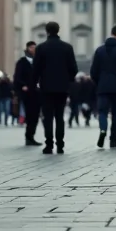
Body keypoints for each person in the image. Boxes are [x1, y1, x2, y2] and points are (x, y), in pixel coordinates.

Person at [33, 21, 78, 154]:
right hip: (62, 88)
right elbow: (74, 69)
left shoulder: (41, 48)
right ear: (58, 31)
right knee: (59, 116)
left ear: (47, 31)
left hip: (46, 87)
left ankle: (49, 145)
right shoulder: (67, 47)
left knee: (48, 117)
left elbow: (36, 69)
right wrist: (67, 80)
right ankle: (60, 145)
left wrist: (35, 83)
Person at [90, 24, 116, 148]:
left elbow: (93, 71)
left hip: (103, 87)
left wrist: (99, 83)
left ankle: (103, 130)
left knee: (102, 112)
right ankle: (113, 140)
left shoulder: (99, 50)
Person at [14, 41, 40, 146]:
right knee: (30, 115)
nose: (33, 49)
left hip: (37, 92)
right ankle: (28, 137)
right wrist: (22, 86)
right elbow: (17, 77)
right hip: (27, 93)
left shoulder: (39, 61)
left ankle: (31, 136)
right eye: (31, 47)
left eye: (35, 47)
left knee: (36, 115)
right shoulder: (22, 62)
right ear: (28, 49)